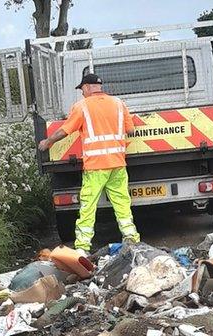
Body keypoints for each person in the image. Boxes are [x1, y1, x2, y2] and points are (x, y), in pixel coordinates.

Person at [38, 72, 141, 252]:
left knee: (88, 207)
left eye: (82, 89)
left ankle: (83, 247)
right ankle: (131, 239)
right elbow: (130, 130)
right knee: (123, 204)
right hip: (117, 164)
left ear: (86, 87)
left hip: (95, 166)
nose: (82, 93)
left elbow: (65, 130)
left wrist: (48, 142)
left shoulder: (82, 107)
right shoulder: (119, 104)